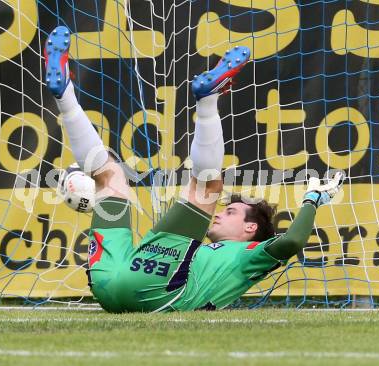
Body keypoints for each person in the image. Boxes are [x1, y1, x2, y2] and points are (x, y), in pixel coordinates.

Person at [44, 26, 344, 312]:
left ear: (250, 230)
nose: (219, 212)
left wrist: (312, 199)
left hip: (138, 283)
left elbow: (291, 241)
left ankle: (205, 100)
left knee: (203, 186)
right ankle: (67, 95)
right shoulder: (202, 254)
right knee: (111, 177)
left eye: (231, 213)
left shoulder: (250, 256)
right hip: (115, 288)